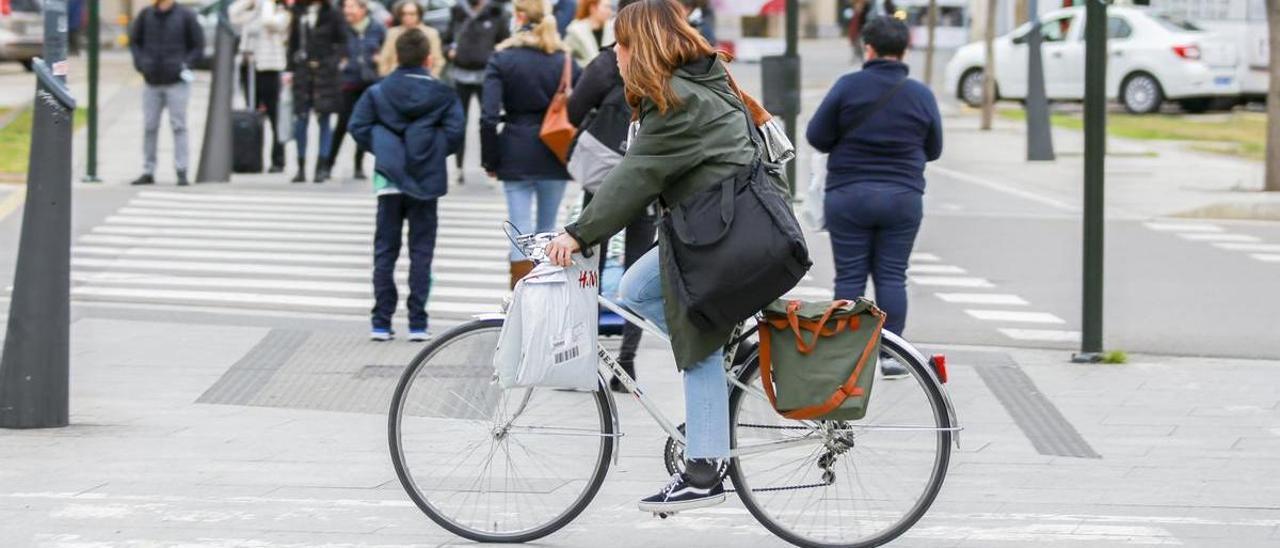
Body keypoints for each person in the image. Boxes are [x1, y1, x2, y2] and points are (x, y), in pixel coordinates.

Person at [545, 0, 754, 513]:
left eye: (621, 43)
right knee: (636, 290)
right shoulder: (695, 82)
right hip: (725, 225)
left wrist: (578, 233)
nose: (614, 52)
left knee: (693, 335)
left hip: (723, 232)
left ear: (642, 46)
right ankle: (722, 364)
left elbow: (635, 175)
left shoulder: (678, 99)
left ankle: (704, 470)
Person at [805, 16, 942, 377]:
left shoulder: (847, 87)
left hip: (848, 197)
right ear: (905, 49)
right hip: (902, 197)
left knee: (850, 276)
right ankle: (892, 355)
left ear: (868, 47)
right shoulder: (921, 95)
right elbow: (935, 147)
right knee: (893, 276)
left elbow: (817, 136)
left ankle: (849, 357)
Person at [350, 28, 466, 342]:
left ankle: (381, 320)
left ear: (396, 56)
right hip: (426, 179)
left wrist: (384, 149)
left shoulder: (378, 92)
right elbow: (455, 133)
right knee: (421, 251)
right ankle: (417, 321)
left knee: (385, 250)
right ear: (429, 59)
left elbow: (358, 126)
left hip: (388, 179)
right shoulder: (443, 94)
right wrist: (431, 151)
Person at [567, 0, 645, 392]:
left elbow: (574, 108)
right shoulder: (664, 65)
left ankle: (584, 356)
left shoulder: (605, 62)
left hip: (602, 177)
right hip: (648, 179)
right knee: (636, 268)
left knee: (589, 262)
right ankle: (627, 363)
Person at [480, 0, 580, 288]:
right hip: (555, 150)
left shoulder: (502, 58)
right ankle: (544, 295)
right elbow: (585, 103)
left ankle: (520, 295)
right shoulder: (564, 59)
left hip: (515, 149)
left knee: (519, 230)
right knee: (548, 231)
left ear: (520, 17)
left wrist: (490, 160)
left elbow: (487, 117)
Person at [127, 0, 204, 187]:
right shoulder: (146, 15)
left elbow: (198, 45)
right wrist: (141, 64)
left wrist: (185, 65)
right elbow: (135, 41)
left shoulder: (185, 15)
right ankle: (148, 170)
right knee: (150, 126)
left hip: (176, 82)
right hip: (151, 81)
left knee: (179, 126)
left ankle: (182, 170)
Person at [442, 0, 510, 185]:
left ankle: (491, 166)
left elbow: (505, 41)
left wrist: (495, 57)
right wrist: (449, 51)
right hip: (460, 74)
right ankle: (458, 167)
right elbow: (446, 40)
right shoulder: (457, 11)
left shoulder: (496, 12)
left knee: (489, 121)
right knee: (458, 122)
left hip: (487, 75)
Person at [287, 0, 346, 183]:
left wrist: (332, 62)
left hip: (325, 73)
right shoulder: (299, 11)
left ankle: (322, 167)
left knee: (325, 118)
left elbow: (342, 41)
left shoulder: (333, 13)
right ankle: (301, 167)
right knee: (301, 119)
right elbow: (293, 42)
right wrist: (290, 67)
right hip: (303, 72)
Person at [229, 0, 291, 173]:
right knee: (252, 115)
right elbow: (233, 13)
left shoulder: (282, 12)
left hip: (270, 69)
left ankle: (278, 159)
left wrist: (266, 3)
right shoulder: (254, 10)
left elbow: (268, 22)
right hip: (249, 67)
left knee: (274, 115)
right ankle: (252, 157)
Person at [326, 0, 385, 182]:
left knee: (365, 124)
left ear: (363, 9)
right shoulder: (341, 27)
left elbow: (385, 50)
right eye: (345, 6)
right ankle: (328, 164)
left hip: (369, 82)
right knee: (342, 124)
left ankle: (359, 164)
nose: (347, 10)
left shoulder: (376, 28)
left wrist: (379, 60)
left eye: (352, 6)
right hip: (347, 82)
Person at [378, 0, 445, 78]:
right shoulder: (393, 33)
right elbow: (384, 58)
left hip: (421, 78)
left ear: (419, 15)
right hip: (395, 78)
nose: (408, 17)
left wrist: (430, 78)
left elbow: (438, 60)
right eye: (404, 14)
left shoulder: (431, 33)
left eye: (412, 14)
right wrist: (385, 76)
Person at [563, 0, 613, 66]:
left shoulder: (613, 30)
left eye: (610, 7)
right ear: (593, 8)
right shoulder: (576, 31)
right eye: (606, 7)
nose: (610, 12)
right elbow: (567, 57)